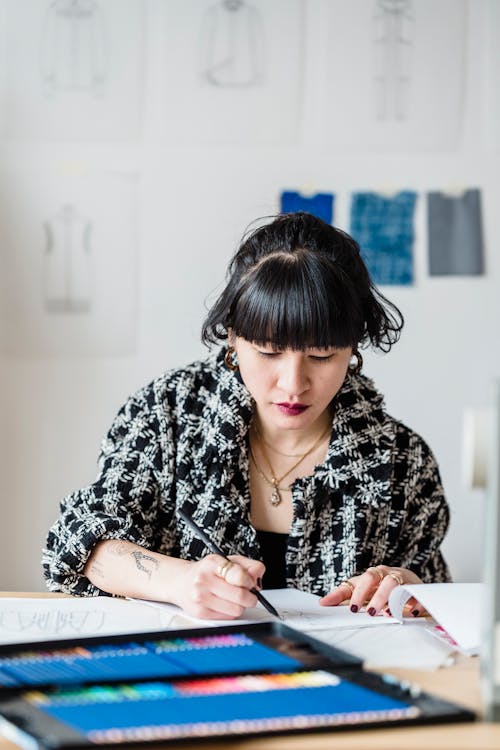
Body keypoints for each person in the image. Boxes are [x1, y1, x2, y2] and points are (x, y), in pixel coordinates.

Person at [43, 211, 451, 620]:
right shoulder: (168, 414)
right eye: (269, 352)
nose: (293, 383)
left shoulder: (401, 459)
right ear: (233, 337)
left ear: (353, 349)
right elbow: (78, 543)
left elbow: (436, 599)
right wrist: (180, 582)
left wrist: (410, 590)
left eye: (322, 355)